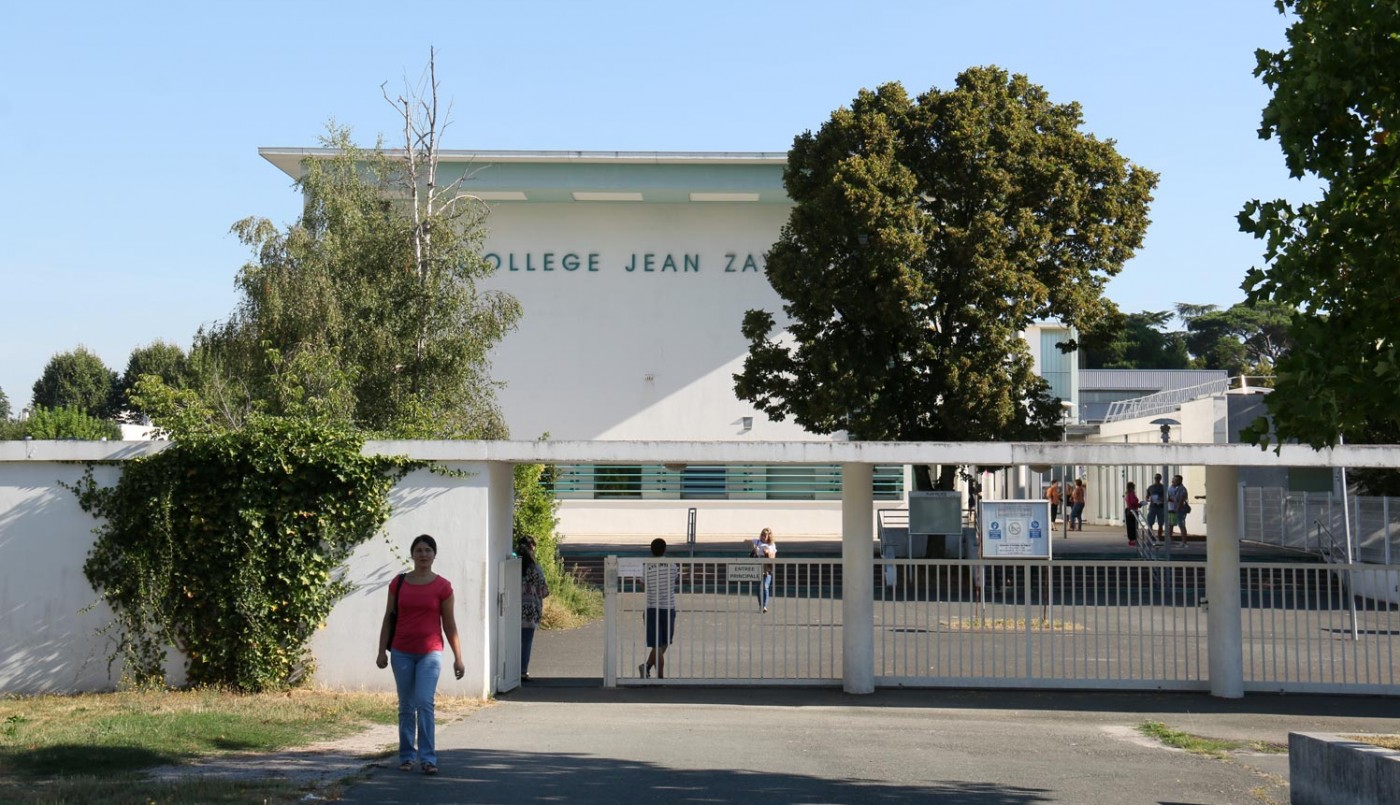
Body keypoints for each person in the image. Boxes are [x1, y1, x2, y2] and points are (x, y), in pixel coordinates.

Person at [376, 534, 465, 776]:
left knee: (425, 702)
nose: (423, 554)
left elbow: (449, 624)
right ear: (412, 554)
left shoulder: (443, 587)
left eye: (428, 550)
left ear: (434, 555)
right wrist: (381, 651)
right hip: (401, 652)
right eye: (419, 550)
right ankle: (407, 756)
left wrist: (458, 657)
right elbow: (388, 618)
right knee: (406, 705)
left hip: (430, 652)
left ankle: (428, 758)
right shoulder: (399, 583)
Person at [640, 537, 679, 679]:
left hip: (652, 608)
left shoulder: (646, 566)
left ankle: (647, 667)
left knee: (657, 644)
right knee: (664, 642)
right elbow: (674, 580)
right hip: (668, 607)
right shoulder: (673, 566)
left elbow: (643, 586)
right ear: (665, 549)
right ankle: (660, 676)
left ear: (651, 551)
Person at [518, 536, 549, 682]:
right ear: (532, 547)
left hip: (514, 609)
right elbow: (545, 591)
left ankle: (512, 671)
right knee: (526, 641)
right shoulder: (536, 569)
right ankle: (523, 670)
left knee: (514, 640)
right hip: (531, 610)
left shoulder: (514, 567)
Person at [749, 527, 777, 613]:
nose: (763, 537)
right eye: (762, 535)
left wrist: (768, 553)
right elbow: (747, 542)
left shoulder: (771, 545)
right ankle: (761, 605)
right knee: (758, 587)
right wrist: (753, 548)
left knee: (765, 586)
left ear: (769, 536)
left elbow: (773, 557)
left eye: (765, 536)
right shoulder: (757, 542)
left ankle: (764, 605)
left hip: (767, 566)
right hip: (758, 565)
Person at [1167, 474, 1191, 544]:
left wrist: (1178, 509)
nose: (1173, 481)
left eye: (1175, 480)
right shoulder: (1174, 488)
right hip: (1173, 509)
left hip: (1180, 510)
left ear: (1180, 481)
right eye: (1173, 480)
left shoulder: (1182, 489)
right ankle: (1172, 540)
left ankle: (1184, 542)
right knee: (1171, 524)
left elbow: (1181, 500)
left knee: (1181, 525)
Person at [1144, 473, 1166, 539]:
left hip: (1161, 507)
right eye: (1156, 478)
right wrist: (1148, 499)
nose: (1157, 479)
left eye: (1158, 478)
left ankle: (1159, 537)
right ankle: (1150, 536)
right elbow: (1147, 496)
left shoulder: (1163, 487)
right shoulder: (1151, 487)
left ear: (1160, 479)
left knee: (1160, 523)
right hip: (1152, 507)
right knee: (1150, 522)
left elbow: (1167, 497)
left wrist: (1161, 499)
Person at [1123, 481, 1141, 546]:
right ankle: (1133, 539)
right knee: (1133, 526)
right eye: (1133, 487)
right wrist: (1139, 504)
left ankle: (1131, 539)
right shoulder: (1131, 494)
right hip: (1132, 511)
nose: (1134, 488)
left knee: (1130, 526)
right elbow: (1133, 502)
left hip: (1129, 510)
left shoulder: (1127, 494)